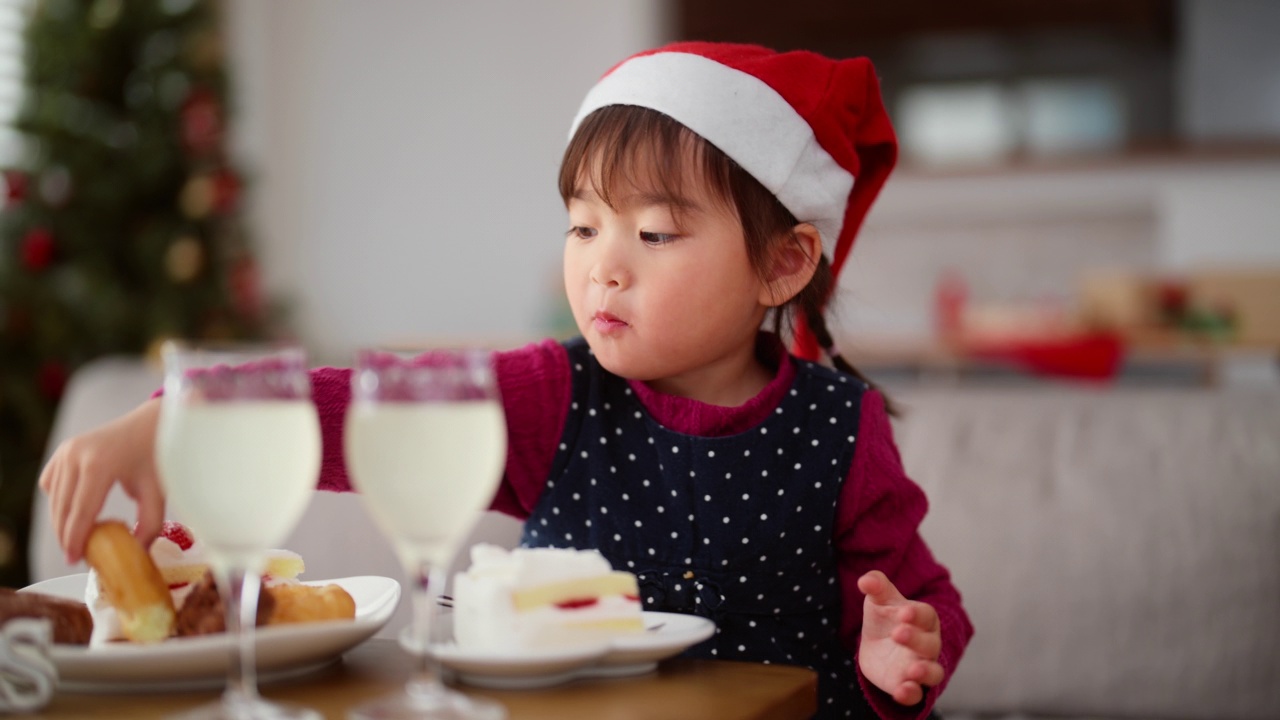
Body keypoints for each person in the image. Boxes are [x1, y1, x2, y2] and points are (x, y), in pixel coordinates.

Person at [41, 42, 972, 719]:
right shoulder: (551, 397)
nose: (603, 267)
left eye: (652, 234)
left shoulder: (840, 430)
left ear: (783, 265)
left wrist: (901, 654)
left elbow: (922, 605)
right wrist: (175, 419)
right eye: (581, 227)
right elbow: (352, 410)